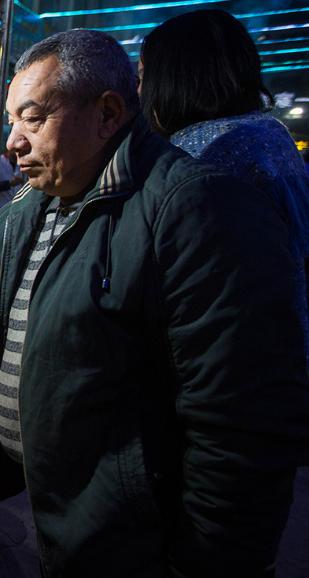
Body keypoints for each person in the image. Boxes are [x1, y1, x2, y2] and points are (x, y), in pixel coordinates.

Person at [0, 29, 309, 576]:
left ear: (108, 112)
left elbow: (239, 427)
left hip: (130, 533)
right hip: (53, 504)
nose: (11, 142)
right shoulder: (31, 208)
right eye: (10, 121)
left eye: (33, 118)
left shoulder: (198, 208)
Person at [140, 9, 309, 363]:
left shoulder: (204, 158)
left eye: (144, 77)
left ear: (174, 79)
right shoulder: (269, 136)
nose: (140, 92)